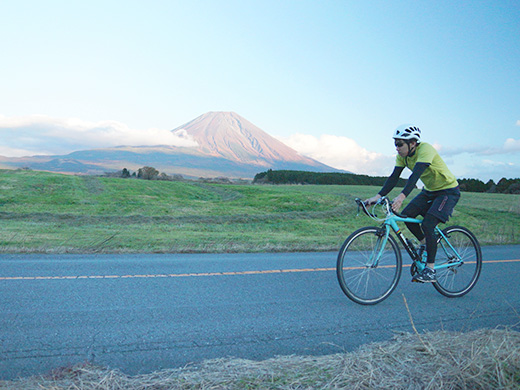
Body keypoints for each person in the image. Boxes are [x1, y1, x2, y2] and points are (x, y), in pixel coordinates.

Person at [365, 124, 460, 283]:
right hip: (430, 190)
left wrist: (402, 197)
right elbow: (394, 177)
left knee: (428, 224)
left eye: (400, 144)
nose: (397, 147)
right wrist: (378, 196)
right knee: (407, 216)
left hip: (447, 191)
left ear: (413, 143)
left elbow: (415, 176)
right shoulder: (402, 156)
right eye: (395, 143)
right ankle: (425, 244)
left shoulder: (426, 150)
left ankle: (430, 270)